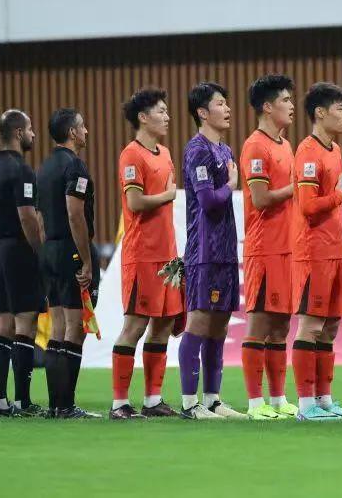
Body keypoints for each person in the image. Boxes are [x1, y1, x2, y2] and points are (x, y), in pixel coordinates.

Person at [110, 88, 182, 420]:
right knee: (135, 326)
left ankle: (152, 400)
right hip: (141, 254)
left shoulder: (164, 153)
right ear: (143, 117)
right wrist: (167, 196)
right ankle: (119, 403)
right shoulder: (131, 155)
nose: (167, 117)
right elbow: (135, 202)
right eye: (161, 111)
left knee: (164, 325)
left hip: (167, 256)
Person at [290, 82, 342, 420]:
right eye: (340, 108)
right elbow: (308, 205)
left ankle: (324, 399)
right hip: (312, 252)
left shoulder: (334, 150)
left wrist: (340, 250)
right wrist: (338, 196)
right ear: (320, 112)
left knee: (330, 327)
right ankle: (306, 405)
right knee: (311, 325)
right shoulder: (308, 151)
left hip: (331, 251)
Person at [177, 83, 247, 420]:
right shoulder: (198, 150)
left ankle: (213, 400)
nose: (228, 109)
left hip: (225, 249)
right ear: (202, 112)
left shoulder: (225, 150)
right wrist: (231, 185)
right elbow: (207, 200)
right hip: (204, 249)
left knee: (219, 324)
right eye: (220, 104)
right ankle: (189, 403)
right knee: (199, 321)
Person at [240, 74, 298, 420]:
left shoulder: (285, 145)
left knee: (281, 327)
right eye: (285, 100)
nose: (291, 106)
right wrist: (295, 188)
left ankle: (278, 399)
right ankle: (254, 403)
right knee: (259, 324)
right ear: (267, 106)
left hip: (288, 247)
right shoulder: (255, 146)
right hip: (264, 248)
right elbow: (260, 198)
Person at [36, 108, 100, 419]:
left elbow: (39, 219)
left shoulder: (44, 168)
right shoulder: (75, 166)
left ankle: (56, 406)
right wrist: (85, 260)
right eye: (83, 126)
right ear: (72, 133)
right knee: (75, 327)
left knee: (59, 327)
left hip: (50, 249)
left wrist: (48, 252)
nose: (86, 131)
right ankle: (67, 406)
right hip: (70, 250)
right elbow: (75, 215)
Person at [0, 109, 44, 417]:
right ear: (18, 133)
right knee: (26, 323)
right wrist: (39, 252)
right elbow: (27, 216)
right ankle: (22, 401)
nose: (33, 134)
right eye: (30, 129)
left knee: (2, 324)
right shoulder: (22, 170)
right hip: (19, 250)